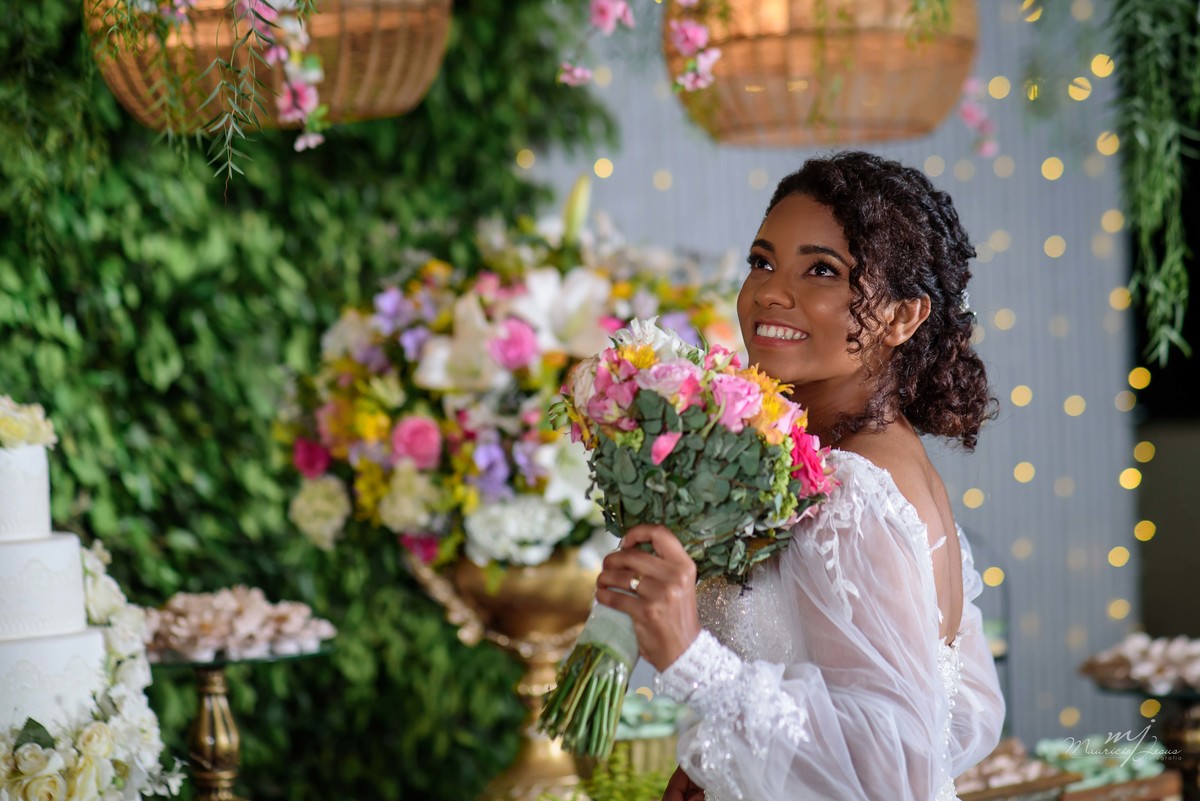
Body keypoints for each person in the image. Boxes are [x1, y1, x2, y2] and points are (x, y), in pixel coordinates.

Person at [595, 151, 1007, 801]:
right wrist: (732, 763)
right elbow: (963, 712)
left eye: (821, 270)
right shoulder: (888, 462)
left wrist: (692, 660)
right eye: (762, 262)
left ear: (903, 316)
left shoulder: (848, 490)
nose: (770, 292)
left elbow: (896, 770)